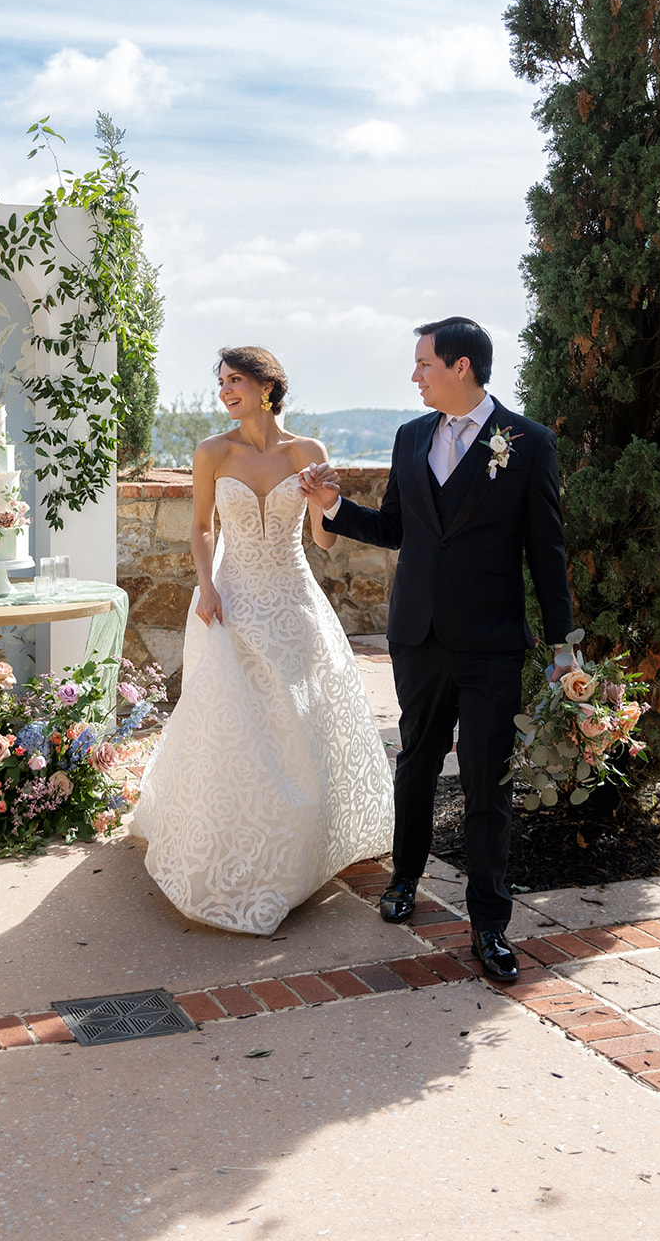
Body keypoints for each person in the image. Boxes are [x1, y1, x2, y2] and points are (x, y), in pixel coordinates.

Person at [299, 317, 574, 982]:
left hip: (491, 644)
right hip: (417, 635)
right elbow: (397, 527)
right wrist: (334, 507)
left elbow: (546, 551)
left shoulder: (527, 443)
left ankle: (488, 922)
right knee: (416, 763)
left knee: (487, 781)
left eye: (422, 364)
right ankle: (405, 880)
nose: (413, 375)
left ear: (459, 367)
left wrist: (565, 646)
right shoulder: (410, 435)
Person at [131, 345, 394, 935]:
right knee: (232, 719)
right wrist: (206, 587)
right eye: (221, 381)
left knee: (298, 719)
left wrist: (326, 502)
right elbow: (201, 528)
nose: (225, 391)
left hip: (293, 599)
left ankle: (301, 843)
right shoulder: (211, 452)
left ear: (267, 387)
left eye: (236, 381)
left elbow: (323, 543)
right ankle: (223, 844)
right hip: (231, 597)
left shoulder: (308, 452)